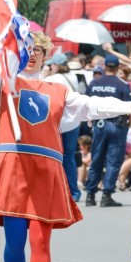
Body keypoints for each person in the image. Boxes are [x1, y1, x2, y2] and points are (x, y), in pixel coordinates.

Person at [0, 25, 131, 262]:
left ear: (46, 54)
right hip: (13, 169)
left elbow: (91, 105)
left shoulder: (58, 90)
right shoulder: (4, 82)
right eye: (26, 49)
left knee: (40, 240)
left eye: (38, 49)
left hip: (45, 172)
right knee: (14, 243)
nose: (32, 54)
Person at [85, 54, 131, 207]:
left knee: (97, 159)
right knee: (113, 161)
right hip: (117, 126)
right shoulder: (122, 85)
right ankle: (106, 195)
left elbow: (86, 104)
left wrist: (90, 120)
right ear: (118, 67)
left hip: (99, 125)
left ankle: (90, 195)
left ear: (105, 67)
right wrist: (128, 125)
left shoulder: (94, 83)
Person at [44, 52, 83, 201]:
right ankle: (73, 192)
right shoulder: (72, 77)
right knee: (70, 158)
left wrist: (45, 73)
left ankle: (55, 190)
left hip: (57, 123)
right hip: (73, 122)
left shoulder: (52, 79)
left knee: (53, 157)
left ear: (55, 65)